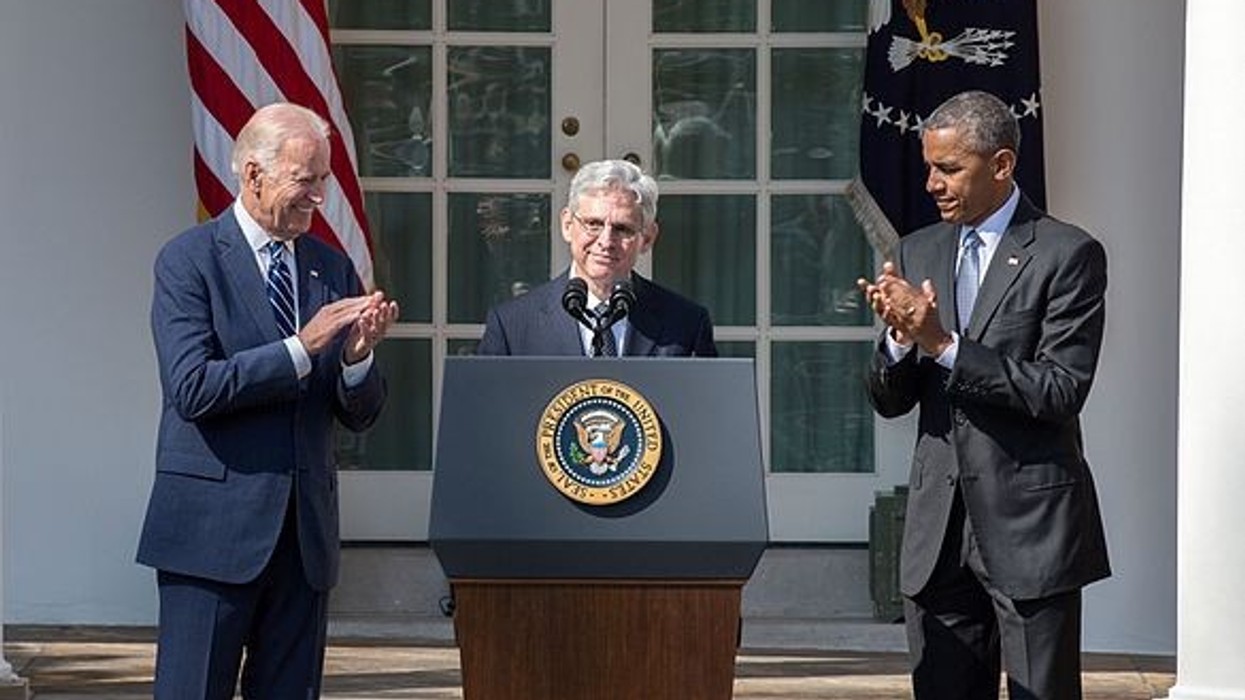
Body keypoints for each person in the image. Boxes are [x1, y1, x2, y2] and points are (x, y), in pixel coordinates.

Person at [136, 102, 400, 699]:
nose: (319, 197)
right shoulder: (189, 260)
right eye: (305, 180)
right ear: (253, 175)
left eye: (324, 181)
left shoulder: (330, 267)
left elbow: (358, 414)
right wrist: (301, 349)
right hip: (211, 534)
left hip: (303, 537)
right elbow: (193, 387)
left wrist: (357, 358)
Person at [857, 90, 1109, 700]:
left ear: (1000, 165)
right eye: (928, 168)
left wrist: (941, 343)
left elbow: (1059, 389)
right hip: (936, 532)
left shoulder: (1067, 253)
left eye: (949, 169)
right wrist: (897, 343)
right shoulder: (918, 250)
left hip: (1030, 527)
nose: (932, 184)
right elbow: (891, 402)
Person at [477, 158, 716, 357]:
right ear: (568, 225)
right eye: (593, 224)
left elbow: (707, 410)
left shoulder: (686, 324)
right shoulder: (512, 325)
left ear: (648, 238)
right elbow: (487, 410)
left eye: (622, 229)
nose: (606, 241)